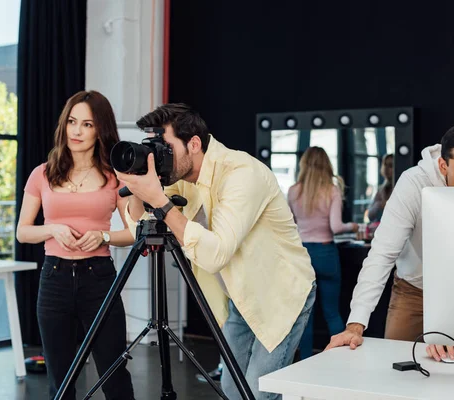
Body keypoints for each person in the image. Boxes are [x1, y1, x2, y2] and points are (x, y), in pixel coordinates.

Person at [116, 103, 316, 400]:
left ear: (194, 144)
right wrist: (136, 184)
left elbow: (216, 253)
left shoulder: (241, 173)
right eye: (152, 146)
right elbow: (140, 228)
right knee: (232, 388)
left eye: (164, 146)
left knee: (260, 394)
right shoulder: (181, 179)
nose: (158, 154)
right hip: (240, 295)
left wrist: (159, 200)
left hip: (280, 293)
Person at [325, 123, 454, 363]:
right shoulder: (413, 183)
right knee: (396, 366)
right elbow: (382, 255)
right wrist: (355, 325)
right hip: (415, 290)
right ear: (443, 165)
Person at [16, 91, 135, 400]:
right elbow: (23, 232)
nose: (77, 131)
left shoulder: (115, 177)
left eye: (87, 124)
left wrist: (104, 236)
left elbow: (136, 232)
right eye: (71, 122)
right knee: (61, 379)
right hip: (53, 279)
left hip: (99, 279)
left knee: (114, 373)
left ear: (100, 130)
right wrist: (51, 229)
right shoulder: (42, 174)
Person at [287, 146, 358, 360]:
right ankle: (340, 360)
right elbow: (336, 227)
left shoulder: (293, 191)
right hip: (326, 254)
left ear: (304, 165)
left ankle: (306, 361)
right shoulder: (332, 190)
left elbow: (289, 226)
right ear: (327, 165)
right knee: (332, 312)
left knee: (305, 316)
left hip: (302, 255)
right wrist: (352, 226)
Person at [367, 153, 394, 223]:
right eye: (385, 164)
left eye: (390, 166)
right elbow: (370, 215)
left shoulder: (401, 187)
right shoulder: (382, 188)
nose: (386, 168)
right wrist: (379, 204)